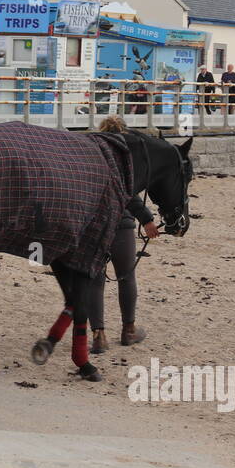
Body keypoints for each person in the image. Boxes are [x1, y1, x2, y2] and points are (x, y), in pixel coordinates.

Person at [89, 116, 161, 353]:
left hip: (94, 226)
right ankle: (128, 330)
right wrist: (147, 219)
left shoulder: (92, 153)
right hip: (121, 225)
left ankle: (99, 335)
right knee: (126, 276)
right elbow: (127, 193)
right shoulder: (125, 158)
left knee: (95, 279)